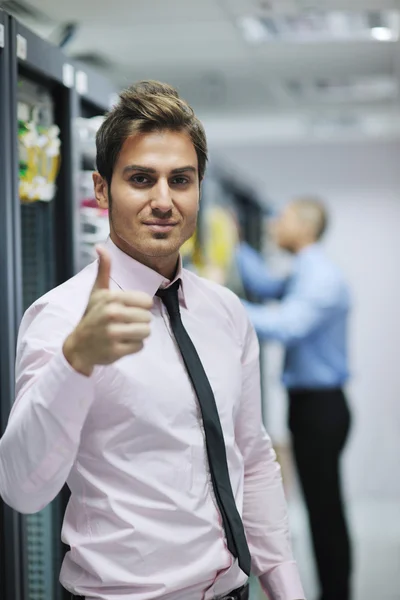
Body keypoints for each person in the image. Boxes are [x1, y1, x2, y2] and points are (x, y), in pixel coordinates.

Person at [0, 81, 305, 600]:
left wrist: (286, 587)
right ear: (101, 189)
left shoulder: (226, 311)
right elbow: (22, 489)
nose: (163, 201)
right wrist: (75, 362)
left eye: (180, 180)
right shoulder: (62, 318)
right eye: (141, 179)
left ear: (199, 188)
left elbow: (251, 458)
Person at [236, 198, 352, 600]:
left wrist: (218, 304)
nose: (272, 227)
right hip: (313, 405)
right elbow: (269, 288)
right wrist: (235, 246)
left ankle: (336, 592)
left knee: (325, 512)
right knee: (322, 508)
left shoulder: (319, 276)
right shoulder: (305, 269)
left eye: (281, 219)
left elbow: (287, 325)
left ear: (304, 227)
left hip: (321, 407)